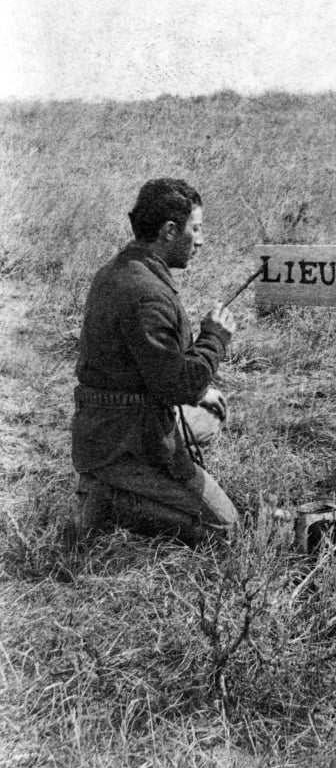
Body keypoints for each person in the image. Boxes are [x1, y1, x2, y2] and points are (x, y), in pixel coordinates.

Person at [70, 178, 239, 545]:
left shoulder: (124, 269)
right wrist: (214, 339)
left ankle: (121, 482)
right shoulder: (147, 294)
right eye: (196, 229)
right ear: (170, 231)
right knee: (223, 528)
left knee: (209, 419)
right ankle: (110, 501)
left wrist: (201, 391)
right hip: (123, 436)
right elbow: (177, 387)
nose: (201, 240)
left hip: (107, 421)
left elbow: (152, 369)